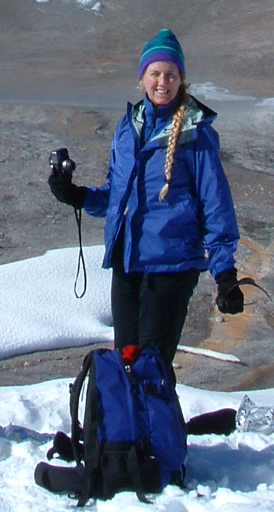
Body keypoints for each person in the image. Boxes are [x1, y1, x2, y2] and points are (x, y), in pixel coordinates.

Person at [48, 29, 243, 369]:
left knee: (151, 369)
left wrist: (224, 272)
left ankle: (160, 423)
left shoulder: (197, 134)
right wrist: (77, 196)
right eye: (155, 73)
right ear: (143, 78)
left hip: (171, 268)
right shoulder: (128, 127)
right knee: (127, 362)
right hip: (128, 264)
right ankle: (135, 423)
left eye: (171, 74)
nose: (162, 81)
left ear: (182, 79)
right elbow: (117, 197)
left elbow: (216, 204)